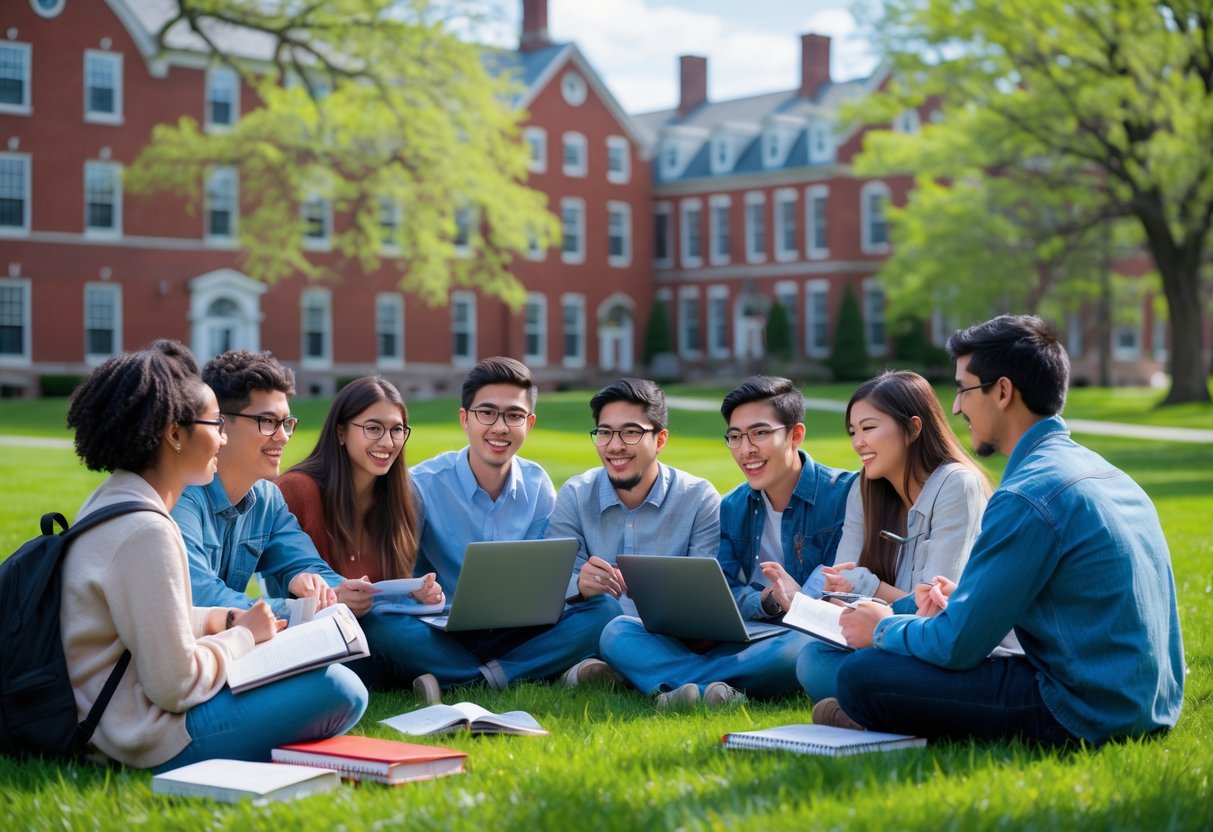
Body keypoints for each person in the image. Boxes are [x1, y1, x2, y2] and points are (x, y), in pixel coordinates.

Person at [821, 315, 1185, 746]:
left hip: (1083, 708)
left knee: (862, 676)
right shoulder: (1106, 473)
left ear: (1003, 391)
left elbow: (959, 646)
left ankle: (873, 717)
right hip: (1151, 704)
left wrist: (882, 627)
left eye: (963, 389)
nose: (956, 407)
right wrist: (963, 599)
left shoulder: (1027, 494)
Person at [61, 341, 366, 771]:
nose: (221, 438)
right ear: (174, 434)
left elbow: (148, 619)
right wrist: (244, 638)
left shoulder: (116, 499)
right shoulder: (149, 529)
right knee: (340, 689)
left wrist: (223, 621)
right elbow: (175, 686)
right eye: (215, 424)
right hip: (135, 735)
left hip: (117, 711)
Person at [598, 377, 856, 708]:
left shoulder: (843, 494)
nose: (746, 449)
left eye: (760, 434)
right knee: (617, 632)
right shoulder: (733, 506)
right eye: (735, 437)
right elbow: (726, 586)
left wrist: (796, 599)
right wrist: (765, 602)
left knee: (805, 648)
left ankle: (684, 685)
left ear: (795, 435)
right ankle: (711, 689)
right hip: (745, 636)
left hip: (798, 634)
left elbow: (842, 587)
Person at [408, 357, 622, 697]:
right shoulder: (421, 484)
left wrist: (579, 586)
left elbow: (548, 576)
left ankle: (473, 678)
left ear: (530, 423)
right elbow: (400, 574)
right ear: (465, 418)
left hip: (519, 629)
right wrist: (417, 590)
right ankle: (523, 670)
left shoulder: (538, 485)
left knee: (605, 611)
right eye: (487, 413)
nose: (500, 427)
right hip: (444, 628)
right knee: (384, 627)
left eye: (514, 415)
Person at [792, 370, 993, 702]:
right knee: (812, 658)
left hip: (939, 648)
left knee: (849, 672)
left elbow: (935, 607)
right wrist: (833, 593)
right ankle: (875, 707)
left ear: (913, 428)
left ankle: (873, 709)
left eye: (869, 428)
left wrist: (869, 588)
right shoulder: (864, 488)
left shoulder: (957, 484)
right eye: (853, 432)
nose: (858, 442)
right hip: (885, 641)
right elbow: (844, 580)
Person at [172, 350, 373, 621]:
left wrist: (337, 588)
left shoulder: (268, 498)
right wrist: (289, 610)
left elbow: (304, 563)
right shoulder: (182, 496)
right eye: (267, 422)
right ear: (220, 423)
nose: (283, 437)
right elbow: (200, 596)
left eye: (286, 423)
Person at [547, 378, 720, 688]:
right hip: (594, 626)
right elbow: (549, 588)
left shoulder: (699, 498)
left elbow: (707, 602)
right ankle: (673, 680)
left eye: (630, 432)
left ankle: (598, 671)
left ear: (661, 439)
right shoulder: (575, 494)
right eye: (604, 433)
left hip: (669, 638)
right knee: (597, 617)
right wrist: (580, 585)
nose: (614, 446)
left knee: (619, 635)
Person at [277, 376, 445, 690]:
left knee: (411, 625)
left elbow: (387, 590)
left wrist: (417, 595)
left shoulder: (402, 498)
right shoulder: (297, 490)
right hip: (319, 640)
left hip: (382, 634)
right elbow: (279, 583)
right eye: (373, 428)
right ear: (341, 432)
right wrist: (334, 597)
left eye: (397, 430)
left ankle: (441, 673)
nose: (388, 442)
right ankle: (483, 675)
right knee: (382, 627)